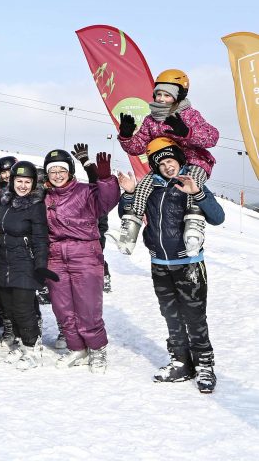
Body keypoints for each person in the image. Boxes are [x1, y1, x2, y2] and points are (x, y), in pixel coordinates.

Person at [117, 138, 224, 393]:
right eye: (161, 163)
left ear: (179, 161)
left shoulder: (191, 182)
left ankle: (205, 366)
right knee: (171, 317)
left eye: (170, 161)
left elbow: (218, 218)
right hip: (160, 263)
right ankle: (181, 362)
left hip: (189, 264)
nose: (167, 166)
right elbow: (126, 214)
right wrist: (130, 193)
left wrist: (197, 192)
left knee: (195, 318)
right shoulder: (149, 186)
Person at [116, 69, 219, 253]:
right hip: (164, 166)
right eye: (159, 95)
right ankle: (130, 227)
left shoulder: (189, 115)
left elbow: (212, 137)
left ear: (179, 96)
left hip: (193, 162)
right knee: (144, 186)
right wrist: (125, 135)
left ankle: (194, 226)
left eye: (167, 95)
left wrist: (187, 132)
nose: (162, 99)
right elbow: (137, 147)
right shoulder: (151, 120)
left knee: (192, 184)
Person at [43, 149, 120, 374]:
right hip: (55, 256)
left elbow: (107, 201)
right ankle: (77, 348)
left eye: (62, 170)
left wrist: (105, 179)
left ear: (70, 171)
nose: (57, 175)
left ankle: (96, 350)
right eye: (53, 171)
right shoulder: (46, 196)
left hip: (85, 254)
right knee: (62, 308)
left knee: (88, 307)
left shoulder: (85, 192)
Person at [0, 161, 50, 370]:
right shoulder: (3, 202)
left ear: (34, 183)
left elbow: (41, 239)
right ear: (12, 181)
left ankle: (32, 348)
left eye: (27, 182)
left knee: (24, 309)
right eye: (19, 181)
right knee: (8, 308)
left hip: (25, 263)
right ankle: (19, 343)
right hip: (3, 261)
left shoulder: (36, 206)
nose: (23, 186)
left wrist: (41, 265)